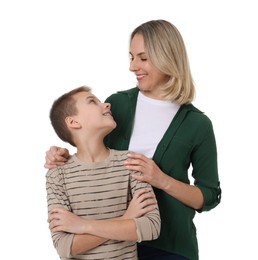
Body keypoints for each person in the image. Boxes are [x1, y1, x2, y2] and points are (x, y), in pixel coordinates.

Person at [44, 20, 222, 260]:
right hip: (114, 246)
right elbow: (92, 147)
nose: (133, 66)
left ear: (167, 57)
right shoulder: (116, 105)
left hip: (170, 247)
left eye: (143, 58)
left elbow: (209, 196)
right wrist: (64, 154)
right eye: (131, 57)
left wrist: (161, 180)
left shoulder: (197, 124)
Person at [46, 86, 161, 260]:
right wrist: (126, 218)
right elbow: (65, 247)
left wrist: (82, 225)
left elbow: (151, 227)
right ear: (73, 122)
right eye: (92, 101)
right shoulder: (57, 175)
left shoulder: (132, 162)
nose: (106, 104)